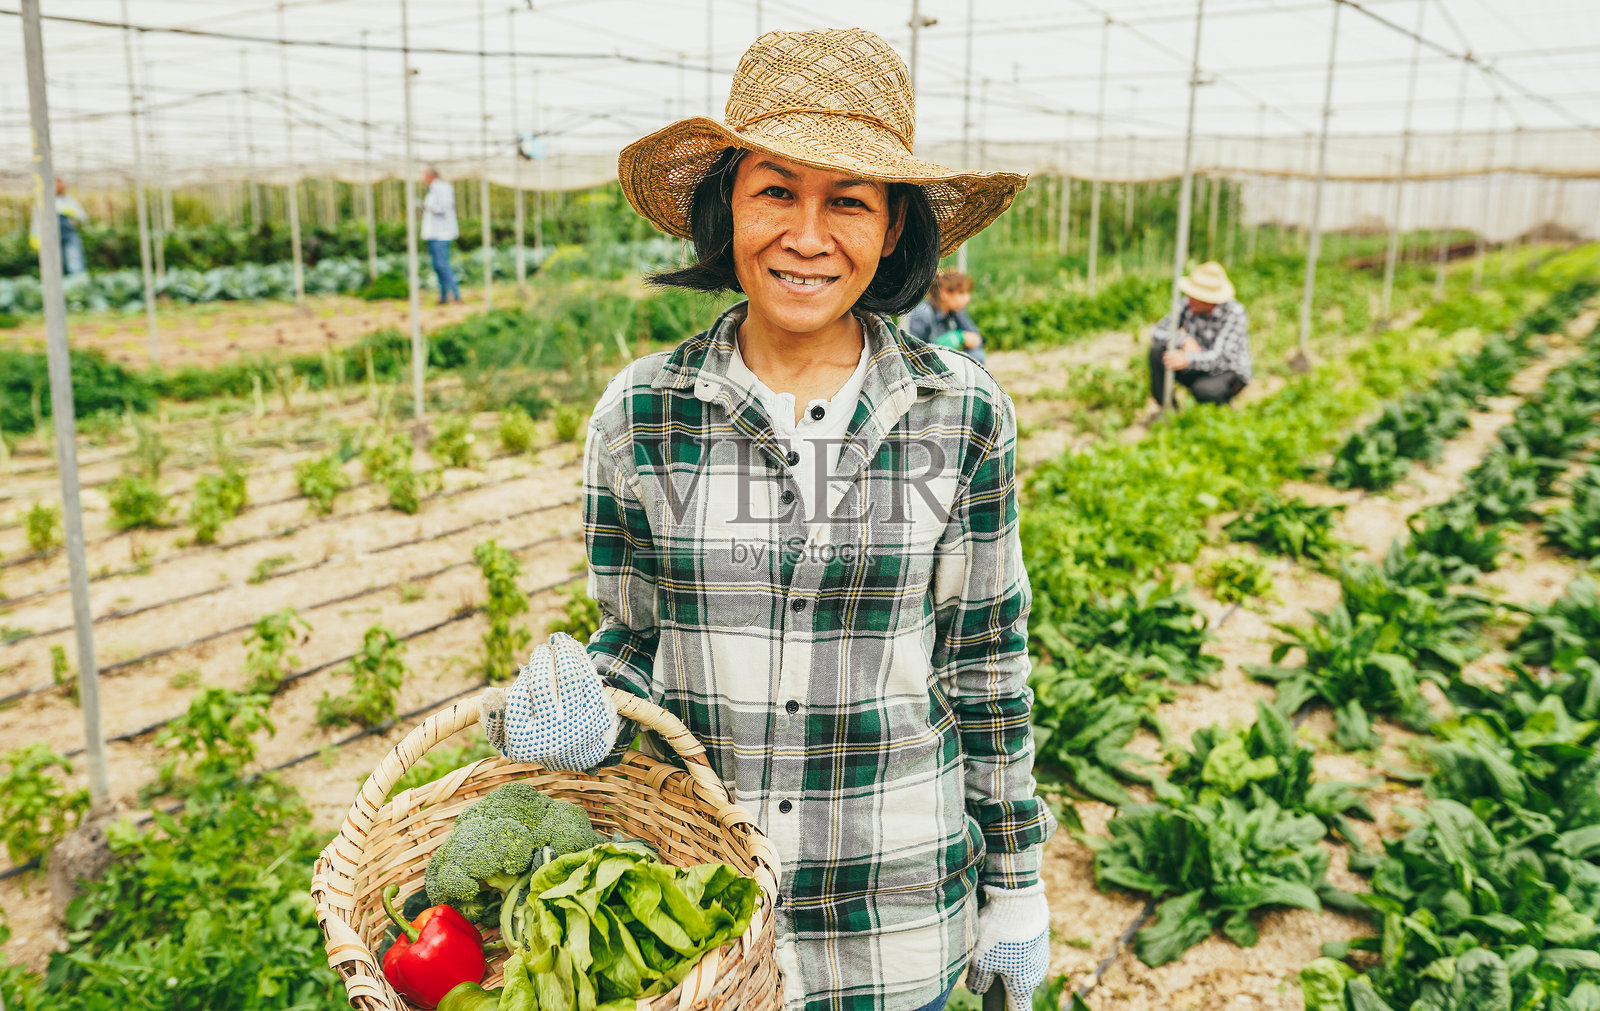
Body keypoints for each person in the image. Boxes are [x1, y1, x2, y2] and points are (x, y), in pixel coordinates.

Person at [477, 28, 1053, 1011]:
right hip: (701, 912)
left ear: (893, 229)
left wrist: (1016, 879)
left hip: (896, 915)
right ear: (727, 209)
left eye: (849, 201)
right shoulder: (642, 413)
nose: (806, 235)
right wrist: (575, 703)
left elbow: (983, 662)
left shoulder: (958, 413)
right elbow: (635, 635)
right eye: (776, 191)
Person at [1148, 260, 1251, 409]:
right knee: (1158, 352)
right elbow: (1157, 331)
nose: (1191, 299)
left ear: (1211, 300)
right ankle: (1168, 409)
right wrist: (1183, 340)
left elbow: (1220, 357)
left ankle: (1220, 409)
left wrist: (1187, 360)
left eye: (1197, 297)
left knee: (1204, 390)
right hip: (1197, 364)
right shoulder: (1187, 304)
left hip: (1227, 371)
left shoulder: (1234, 313)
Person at [903, 269, 987, 364]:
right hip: (926, 366)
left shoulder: (957, 312)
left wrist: (960, 337)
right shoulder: (922, 314)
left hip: (945, 362)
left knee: (977, 354)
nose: (968, 298)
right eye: (961, 293)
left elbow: (977, 339)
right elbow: (910, 350)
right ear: (944, 293)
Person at [420, 165, 463, 304]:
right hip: (434, 234)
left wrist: (429, 207)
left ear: (431, 176)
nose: (423, 179)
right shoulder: (433, 189)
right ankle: (443, 296)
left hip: (442, 234)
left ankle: (456, 295)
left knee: (442, 265)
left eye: (424, 175)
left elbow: (445, 207)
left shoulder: (443, 188)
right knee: (438, 266)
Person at [29, 177, 88, 277]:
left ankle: (77, 283)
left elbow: (83, 218)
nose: (58, 188)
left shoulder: (69, 201)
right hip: (50, 236)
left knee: (74, 261)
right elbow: (36, 221)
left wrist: (74, 214)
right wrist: (34, 235)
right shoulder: (43, 202)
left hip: (69, 235)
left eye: (60, 185)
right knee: (53, 263)